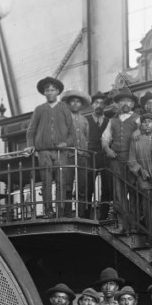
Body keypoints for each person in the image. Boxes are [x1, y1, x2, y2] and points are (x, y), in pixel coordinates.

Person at [25, 75, 76, 218]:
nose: (50, 92)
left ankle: (60, 211)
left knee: (62, 182)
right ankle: (48, 210)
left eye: (53, 90)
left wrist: (66, 143)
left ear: (58, 92)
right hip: (44, 152)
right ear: (44, 92)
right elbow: (31, 130)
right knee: (46, 182)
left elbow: (72, 132)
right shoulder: (39, 109)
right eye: (47, 90)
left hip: (61, 152)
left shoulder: (65, 109)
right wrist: (30, 145)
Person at [100, 89, 139, 234]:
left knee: (134, 192)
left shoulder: (138, 118)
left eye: (128, 101)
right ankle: (123, 225)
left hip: (132, 159)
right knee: (118, 192)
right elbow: (105, 137)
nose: (125, 103)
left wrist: (139, 131)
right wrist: (107, 148)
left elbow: (147, 131)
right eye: (122, 101)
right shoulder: (113, 120)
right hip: (116, 159)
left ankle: (135, 226)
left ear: (133, 103)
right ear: (118, 103)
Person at [128, 113, 152, 235]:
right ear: (141, 125)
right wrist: (140, 170)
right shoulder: (136, 140)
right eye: (144, 122)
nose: (147, 124)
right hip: (145, 180)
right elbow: (131, 160)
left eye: (150, 121)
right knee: (149, 209)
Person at [61, 89, 92, 217]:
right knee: (67, 187)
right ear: (68, 103)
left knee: (82, 188)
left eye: (78, 102)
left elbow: (87, 138)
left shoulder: (85, 120)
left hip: (82, 157)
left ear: (81, 104)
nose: (75, 104)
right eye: (72, 101)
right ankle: (67, 214)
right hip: (68, 156)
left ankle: (81, 214)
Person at [85, 91, 111, 219]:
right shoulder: (86, 121)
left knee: (106, 186)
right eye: (96, 103)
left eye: (102, 103)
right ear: (92, 105)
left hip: (105, 155)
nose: (99, 105)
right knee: (88, 185)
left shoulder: (109, 121)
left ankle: (103, 215)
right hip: (90, 155)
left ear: (105, 105)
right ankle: (86, 215)